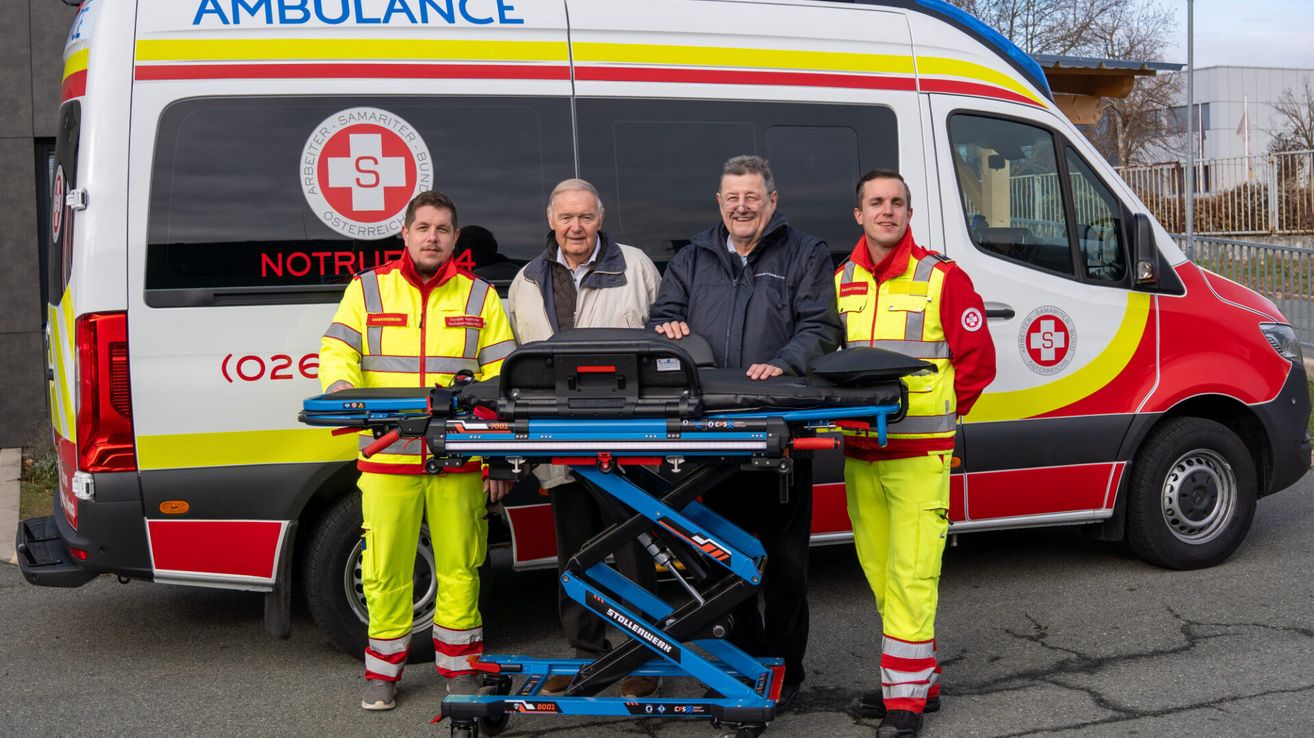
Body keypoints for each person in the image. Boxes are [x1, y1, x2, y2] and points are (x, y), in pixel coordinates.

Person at [648, 155, 841, 710]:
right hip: (709, 438)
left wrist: (785, 363)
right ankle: (743, 661)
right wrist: (667, 328)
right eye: (732, 197)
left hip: (779, 432)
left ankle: (786, 672)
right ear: (719, 203)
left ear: (771, 202)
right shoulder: (691, 257)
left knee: (783, 565)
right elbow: (662, 315)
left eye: (752, 197)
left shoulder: (805, 253)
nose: (742, 207)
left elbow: (822, 325)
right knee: (716, 561)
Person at [319, 191, 517, 712]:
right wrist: (344, 397)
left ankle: (461, 672)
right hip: (388, 457)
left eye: (443, 229)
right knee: (385, 568)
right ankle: (382, 674)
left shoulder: (480, 297)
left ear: (456, 238)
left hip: (459, 457)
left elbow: (504, 379)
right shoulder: (366, 290)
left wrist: (495, 455)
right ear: (404, 234)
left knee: (461, 566)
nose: (432, 237)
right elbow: (338, 351)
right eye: (423, 227)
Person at [835, 170, 996, 738]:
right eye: (875, 202)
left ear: (908, 212)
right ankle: (918, 679)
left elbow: (978, 362)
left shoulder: (942, 278)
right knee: (881, 574)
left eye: (896, 202)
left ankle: (902, 702)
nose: (886, 211)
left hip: (921, 456)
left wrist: (945, 420)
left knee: (912, 574)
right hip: (861, 456)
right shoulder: (841, 282)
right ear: (859, 214)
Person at [506, 178, 663, 699]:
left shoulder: (637, 266)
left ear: (601, 218)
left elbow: (665, 336)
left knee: (637, 547)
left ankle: (644, 656)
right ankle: (587, 650)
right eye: (566, 217)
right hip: (561, 440)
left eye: (586, 217)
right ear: (551, 220)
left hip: (630, 439)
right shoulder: (525, 281)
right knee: (577, 549)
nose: (576, 227)